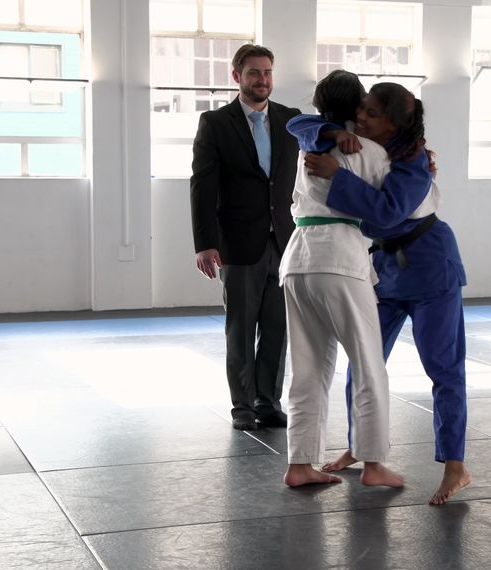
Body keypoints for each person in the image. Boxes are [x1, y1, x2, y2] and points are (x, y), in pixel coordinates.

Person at [298, 83, 471, 505]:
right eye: (361, 111)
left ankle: (455, 465)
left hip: (430, 264)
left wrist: (337, 176)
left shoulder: (414, 160)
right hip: (384, 268)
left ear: (394, 122)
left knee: (443, 367)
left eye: (371, 114)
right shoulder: (357, 142)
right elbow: (299, 123)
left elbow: (386, 212)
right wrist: (332, 135)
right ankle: (362, 445)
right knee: (364, 359)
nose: (361, 119)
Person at [281, 70, 407, 488]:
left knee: (307, 368)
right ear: (357, 107)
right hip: (339, 257)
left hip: (298, 259)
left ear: (320, 105)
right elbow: (389, 207)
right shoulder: (370, 151)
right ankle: (373, 464)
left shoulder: (310, 143)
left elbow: (298, 123)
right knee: (369, 363)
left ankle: (300, 464)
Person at [190, 44, 300, 431]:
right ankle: (242, 407)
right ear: (236, 76)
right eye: (254, 72)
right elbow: (202, 185)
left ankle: (268, 402)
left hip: (285, 242)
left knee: (277, 328)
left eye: (267, 72)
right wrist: (204, 242)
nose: (262, 79)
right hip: (237, 243)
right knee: (240, 328)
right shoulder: (216, 124)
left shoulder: (291, 120)